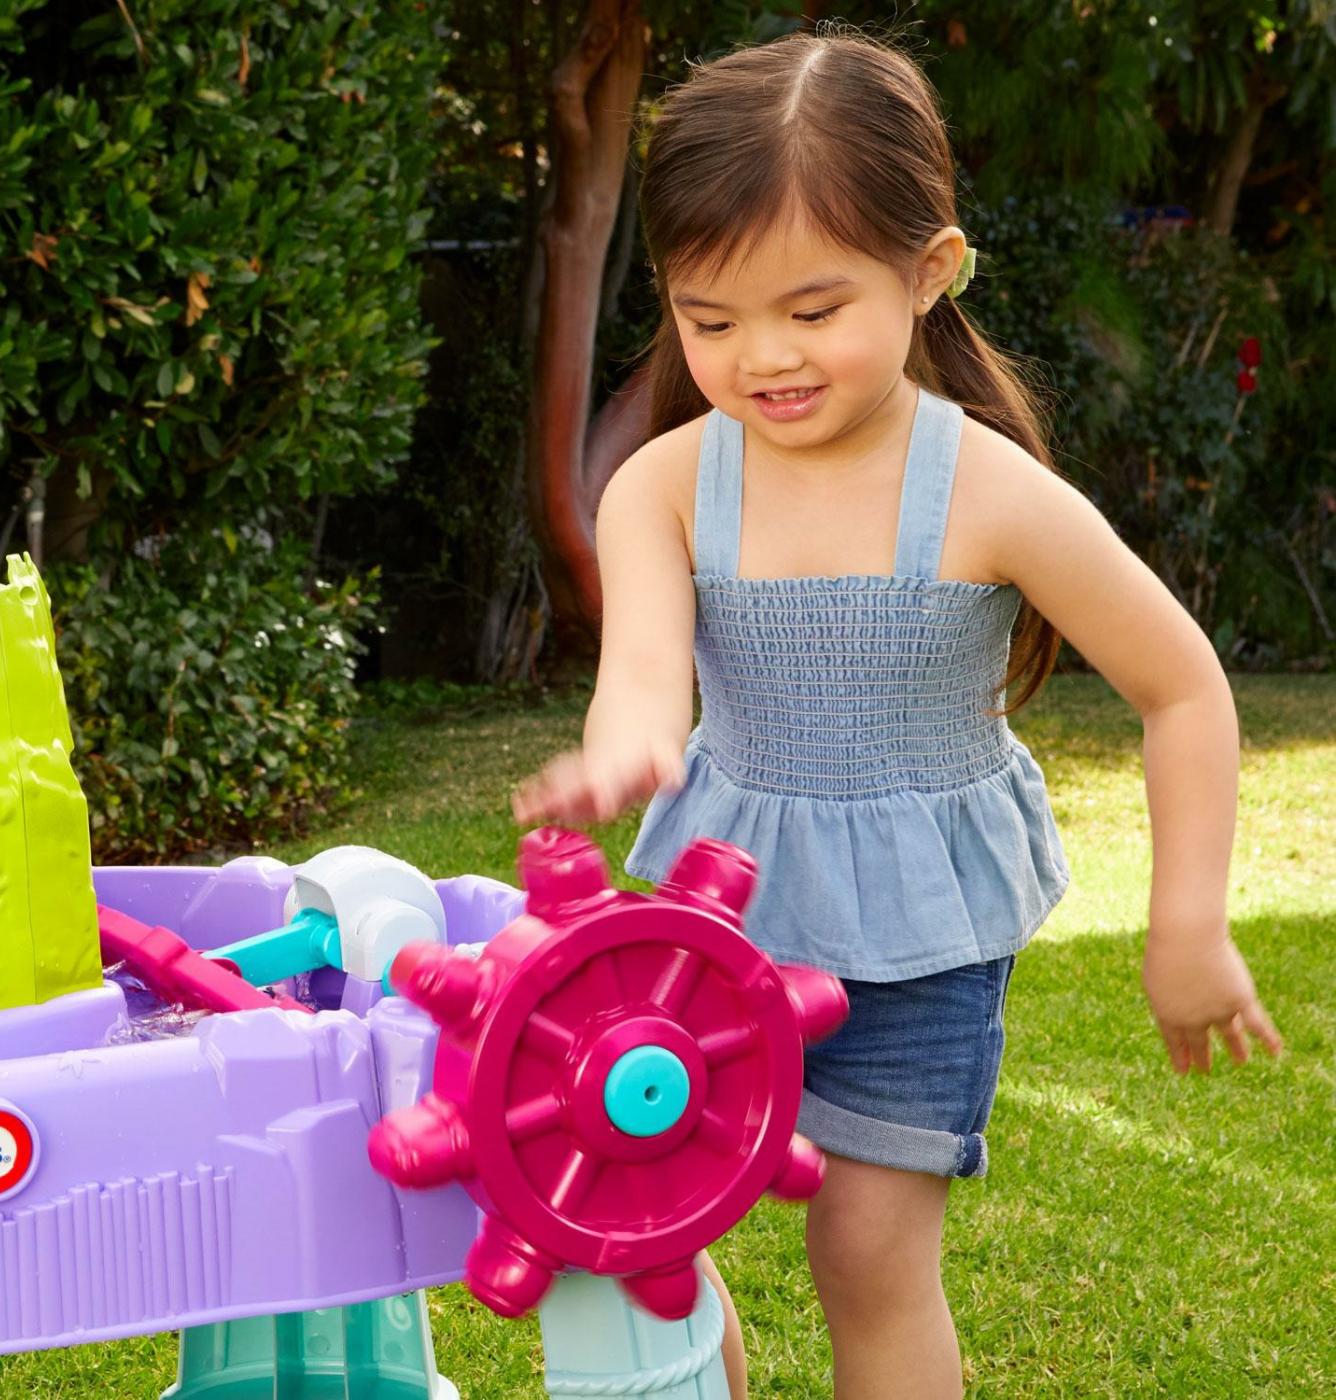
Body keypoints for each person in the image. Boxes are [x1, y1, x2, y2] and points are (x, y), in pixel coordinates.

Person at [511, 23, 1284, 1400]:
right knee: (647, 1223)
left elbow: (1181, 689)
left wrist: (1189, 925)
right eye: (710, 318)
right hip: (717, 908)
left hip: (921, 939)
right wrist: (622, 752)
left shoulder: (988, 491)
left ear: (928, 273)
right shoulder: (668, 485)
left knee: (868, 1254)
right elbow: (643, 678)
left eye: (813, 312)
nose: (762, 358)